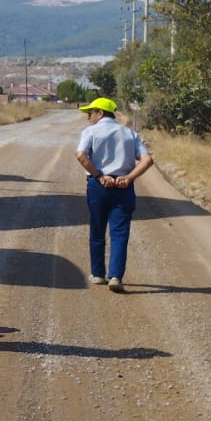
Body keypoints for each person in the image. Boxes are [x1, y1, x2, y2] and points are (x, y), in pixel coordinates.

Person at [75, 97, 154, 292]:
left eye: (91, 113)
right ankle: (116, 277)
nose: (88, 117)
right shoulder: (129, 133)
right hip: (123, 187)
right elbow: (147, 160)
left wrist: (99, 175)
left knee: (97, 230)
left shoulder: (90, 132)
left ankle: (98, 274)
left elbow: (81, 156)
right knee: (120, 233)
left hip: (98, 186)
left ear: (101, 113)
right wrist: (129, 177)